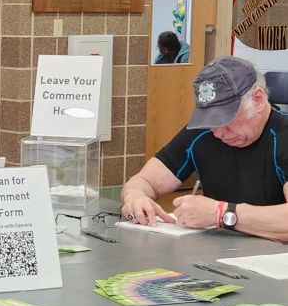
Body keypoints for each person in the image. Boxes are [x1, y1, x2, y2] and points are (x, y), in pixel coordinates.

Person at [121, 56, 288, 241]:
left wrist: (221, 214)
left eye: (226, 120)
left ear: (258, 99)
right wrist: (135, 197)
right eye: (211, 122)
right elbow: (145, 181)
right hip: (219, 256)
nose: (218, 133)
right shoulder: (203, 133)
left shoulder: (283, 136)